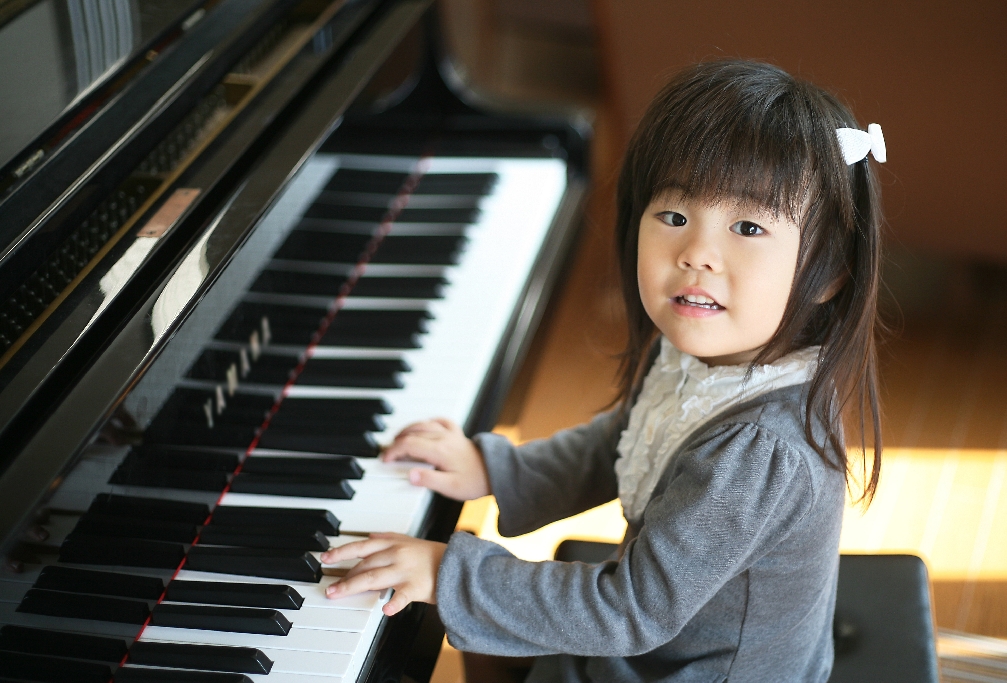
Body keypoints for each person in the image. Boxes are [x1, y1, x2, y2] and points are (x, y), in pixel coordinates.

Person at [321, 59, 886, 682]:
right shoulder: (713, 360)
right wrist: (496, 469)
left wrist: (445, 571)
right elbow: (625, 440)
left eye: (748, 227)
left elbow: (631, 610)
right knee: (483, 631)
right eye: (674, 216)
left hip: (696, 670)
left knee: (470, 616)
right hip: (659, 637)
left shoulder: (758, 451)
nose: (696, 252)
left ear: (830, 274)